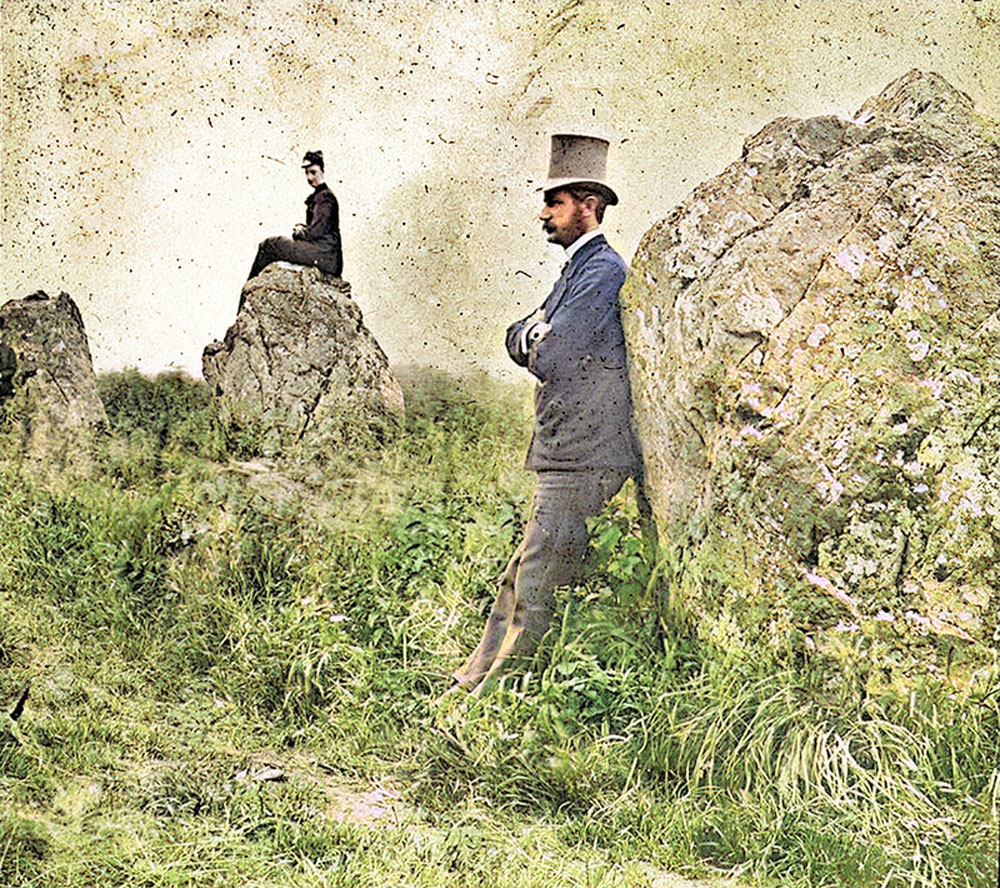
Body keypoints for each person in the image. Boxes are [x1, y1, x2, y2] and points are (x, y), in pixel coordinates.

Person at [450, 134, 642, 697]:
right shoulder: (575, 273)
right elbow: (518, 335)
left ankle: (489, 699)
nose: (543, 215)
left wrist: (536, 333)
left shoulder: (603, 272)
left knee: (535, 575)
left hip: (584, 453)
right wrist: (533, 333)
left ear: (589, 205)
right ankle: (472, 678)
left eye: (554, 203)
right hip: (562, 449)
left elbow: (551, 351)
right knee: (522, 570)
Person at [247, 150, 343, 282]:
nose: (309, 177)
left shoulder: (325, 198)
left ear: (322, 171)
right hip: (324, 254)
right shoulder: (321, 196)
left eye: (313, 172)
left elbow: (317, 231)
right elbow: (319, 228)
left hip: (324, 255)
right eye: (307, 173)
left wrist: (300, 233)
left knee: (270, 245)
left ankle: (250, 287)